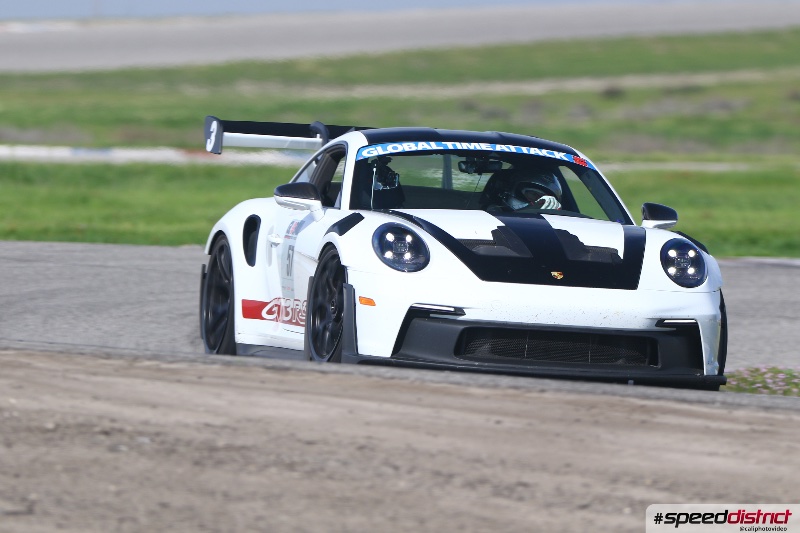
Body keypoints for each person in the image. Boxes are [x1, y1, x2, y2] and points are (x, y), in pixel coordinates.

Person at [484, 168, 563, 211]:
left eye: (545, 199)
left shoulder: (561, 224)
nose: (539, 201)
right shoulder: (492, 215)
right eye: (533, 194)